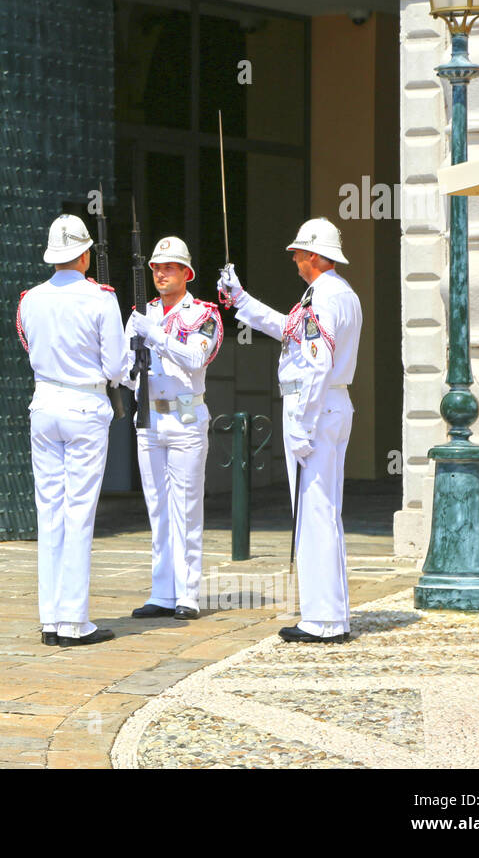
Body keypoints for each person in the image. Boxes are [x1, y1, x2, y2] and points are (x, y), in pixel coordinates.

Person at [218, 218, 361, 643]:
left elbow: (316, 361)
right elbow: (289, 331)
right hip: (331, 402)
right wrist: (241, 300)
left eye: (299, 253)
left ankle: (322, 621)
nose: (295, 260)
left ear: (315, 256)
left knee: (314, 511)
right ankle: (331, 613)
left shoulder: (323, 296)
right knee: (324, 511)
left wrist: (302, 423)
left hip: (313, 404)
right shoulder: (337, 293)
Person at [18, 214, 133, 647]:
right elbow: (115, 367)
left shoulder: (30, 299)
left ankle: (50, 619)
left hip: (44, 403)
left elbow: (30, 345)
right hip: (85, 405)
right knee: (78, 512)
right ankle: (74, 621)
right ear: (85, 255)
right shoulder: (101, 299)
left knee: (49, 512)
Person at [125, 237, 222, 622]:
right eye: (156, 268)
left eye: (169, 267)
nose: (161, 273)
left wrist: (156, 335)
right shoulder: (142, 313)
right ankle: (161, 592)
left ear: (186, 272)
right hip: (148, 417)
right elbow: (122, 361)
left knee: (186, 507)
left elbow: (197, 357)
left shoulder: (202, 313)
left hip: (184, 418)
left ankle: (188, 594)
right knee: (157, 508)